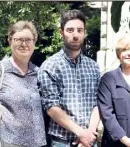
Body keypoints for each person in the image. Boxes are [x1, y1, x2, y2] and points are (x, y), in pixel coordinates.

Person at [38, 10, 100, 147]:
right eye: (70, 30)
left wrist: (89, 133)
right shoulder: (50, 66)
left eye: (79, 30)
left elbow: (98, 103)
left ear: (85, 33)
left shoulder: (93, 67)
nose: (75, 35)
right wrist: (81, 134)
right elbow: (51, 107)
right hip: (62, 142)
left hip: (90, 141)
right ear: (61, 32)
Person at [0, 21, 47, 147]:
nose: (24, 44)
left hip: (39, 143)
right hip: (9, 142)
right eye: (18, 39)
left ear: (34, 42)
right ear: (10, 41)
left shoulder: (38, 73)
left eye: (28, 40)